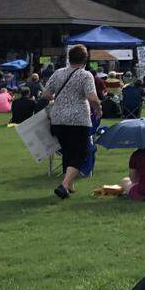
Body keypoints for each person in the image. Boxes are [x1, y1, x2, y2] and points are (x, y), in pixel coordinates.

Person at [43, 43, 102, 199]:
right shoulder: (85, 75)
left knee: (67, 152)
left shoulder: (57, 73)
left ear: (69, 58)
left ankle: (69, 185)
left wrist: (60, 99)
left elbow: (46, 95)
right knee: (81, 153)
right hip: (79, 119)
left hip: (58, 119)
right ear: (85, 59)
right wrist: (98, 107)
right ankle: (63, 186)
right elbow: (91, 96)